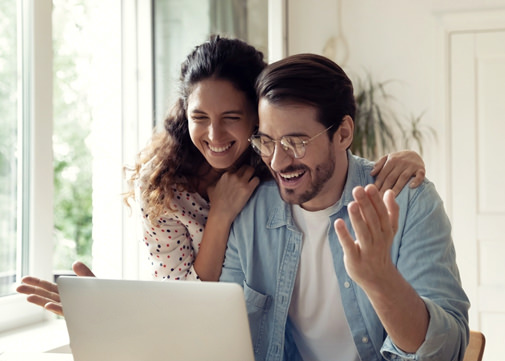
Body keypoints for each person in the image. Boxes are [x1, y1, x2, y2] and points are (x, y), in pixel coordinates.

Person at [16, 36, 425, 316]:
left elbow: (324, 153)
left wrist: (401, 161)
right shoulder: (161, 189)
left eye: (232, 118)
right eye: (200, 118)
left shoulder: (272, 165)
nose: (214, 136)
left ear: (259, 116)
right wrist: (220, 216)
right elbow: (187, 302)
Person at [219, 53, 470, 361]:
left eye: (295, 143)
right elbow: (223, 333)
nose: (277, 161)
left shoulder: (409, 201)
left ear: (343, 133)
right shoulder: (251, 211)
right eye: (267, 142)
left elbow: (449, 351)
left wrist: (381, 280)